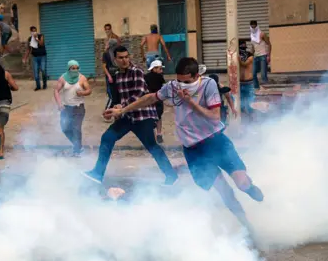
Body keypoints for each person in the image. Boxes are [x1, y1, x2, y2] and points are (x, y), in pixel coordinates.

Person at [103, 57, 264, 237]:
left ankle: (249, 188)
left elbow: (214, 116)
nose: (181, 85)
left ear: (196, 76)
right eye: (179, 80)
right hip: (194, 151)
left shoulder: (208, 85)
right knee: (224, 192)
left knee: (241, 183)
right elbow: (150, 97)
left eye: (186, 81)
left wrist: (189, 102)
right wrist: (122, 110)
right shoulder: (172, 87)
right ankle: (248, 227)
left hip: (216, 142)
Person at [83, 46, 178, 186]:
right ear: (115, 59)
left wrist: (121, 107)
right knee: (107, 138)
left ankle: (171, 175)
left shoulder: (137, 71)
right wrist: (112, 110)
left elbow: (139, 94)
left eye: (126, 57)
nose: (124, 60)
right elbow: (118, 98)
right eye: (120, 58)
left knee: (152, 146)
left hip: (142, 116)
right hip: (127, 117)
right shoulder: (117, 76)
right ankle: (97, 173)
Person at [54, 60, 91, 157]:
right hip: (66, 108)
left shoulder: (82, 78)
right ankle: (78, 146)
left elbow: (89, 90)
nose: (75, 70)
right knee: (65, 128)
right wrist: (59, 103)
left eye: (77, 68)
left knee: (76, 128)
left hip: (78, 108)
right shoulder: (63, 78)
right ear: (68, 68)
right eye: (73, 68)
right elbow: (56, 91)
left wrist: (82, 93)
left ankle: (77, 151)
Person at [144, 60, 166, 143]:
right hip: (158, 99)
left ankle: (151, 137)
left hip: (148, 99)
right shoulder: (160, 77)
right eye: (160, 69)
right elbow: (163, 88)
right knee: (159, 117)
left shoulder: (145, 77)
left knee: (149, 117)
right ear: (154, 68)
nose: (161, 71)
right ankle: (159, 134)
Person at [23, 26, 47, 90]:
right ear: (31, 32)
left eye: (35, 30)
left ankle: (44, 84)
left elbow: (41, 44)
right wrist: (25, 58)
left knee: (43, 70)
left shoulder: (40, 36)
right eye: (32, 31)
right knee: (36, 74)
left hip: (42, 57)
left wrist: (36, 38)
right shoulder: (29, 39)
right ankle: (38, 86)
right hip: (35, 58)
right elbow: (28, 49)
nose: (34, 32)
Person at [249, 20, 271, 89]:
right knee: (253, 74)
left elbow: (269, 44)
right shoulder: (251, 36)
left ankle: (266, 88)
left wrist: (268, 55)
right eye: (252, 27)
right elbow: (253, 47)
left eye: (254, 27)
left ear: (257, 26)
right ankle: (257, 88)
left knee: (263, 75)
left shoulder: (262, 34)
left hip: (263, 56)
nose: (253, 29)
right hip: (256, 56)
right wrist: (250, 55)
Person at [239, 40, 255, 122]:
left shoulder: (250, 56)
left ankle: (252, 121)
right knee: (240, 105)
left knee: (250, 105)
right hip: (240, 84)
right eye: (241, 48)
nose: (243, 50)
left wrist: (238, 59)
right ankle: (244, 122)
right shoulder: (236, 56)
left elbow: (244, 64)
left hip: (249, 84)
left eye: (244, 48)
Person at [101, 38, 119, 111]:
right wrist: (109, 76)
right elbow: (104, 67)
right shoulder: (106, 54)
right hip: (110, 76)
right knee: (111, 95)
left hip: (117, 76)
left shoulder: (116, 53)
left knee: (117, 94)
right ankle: (107, 111)